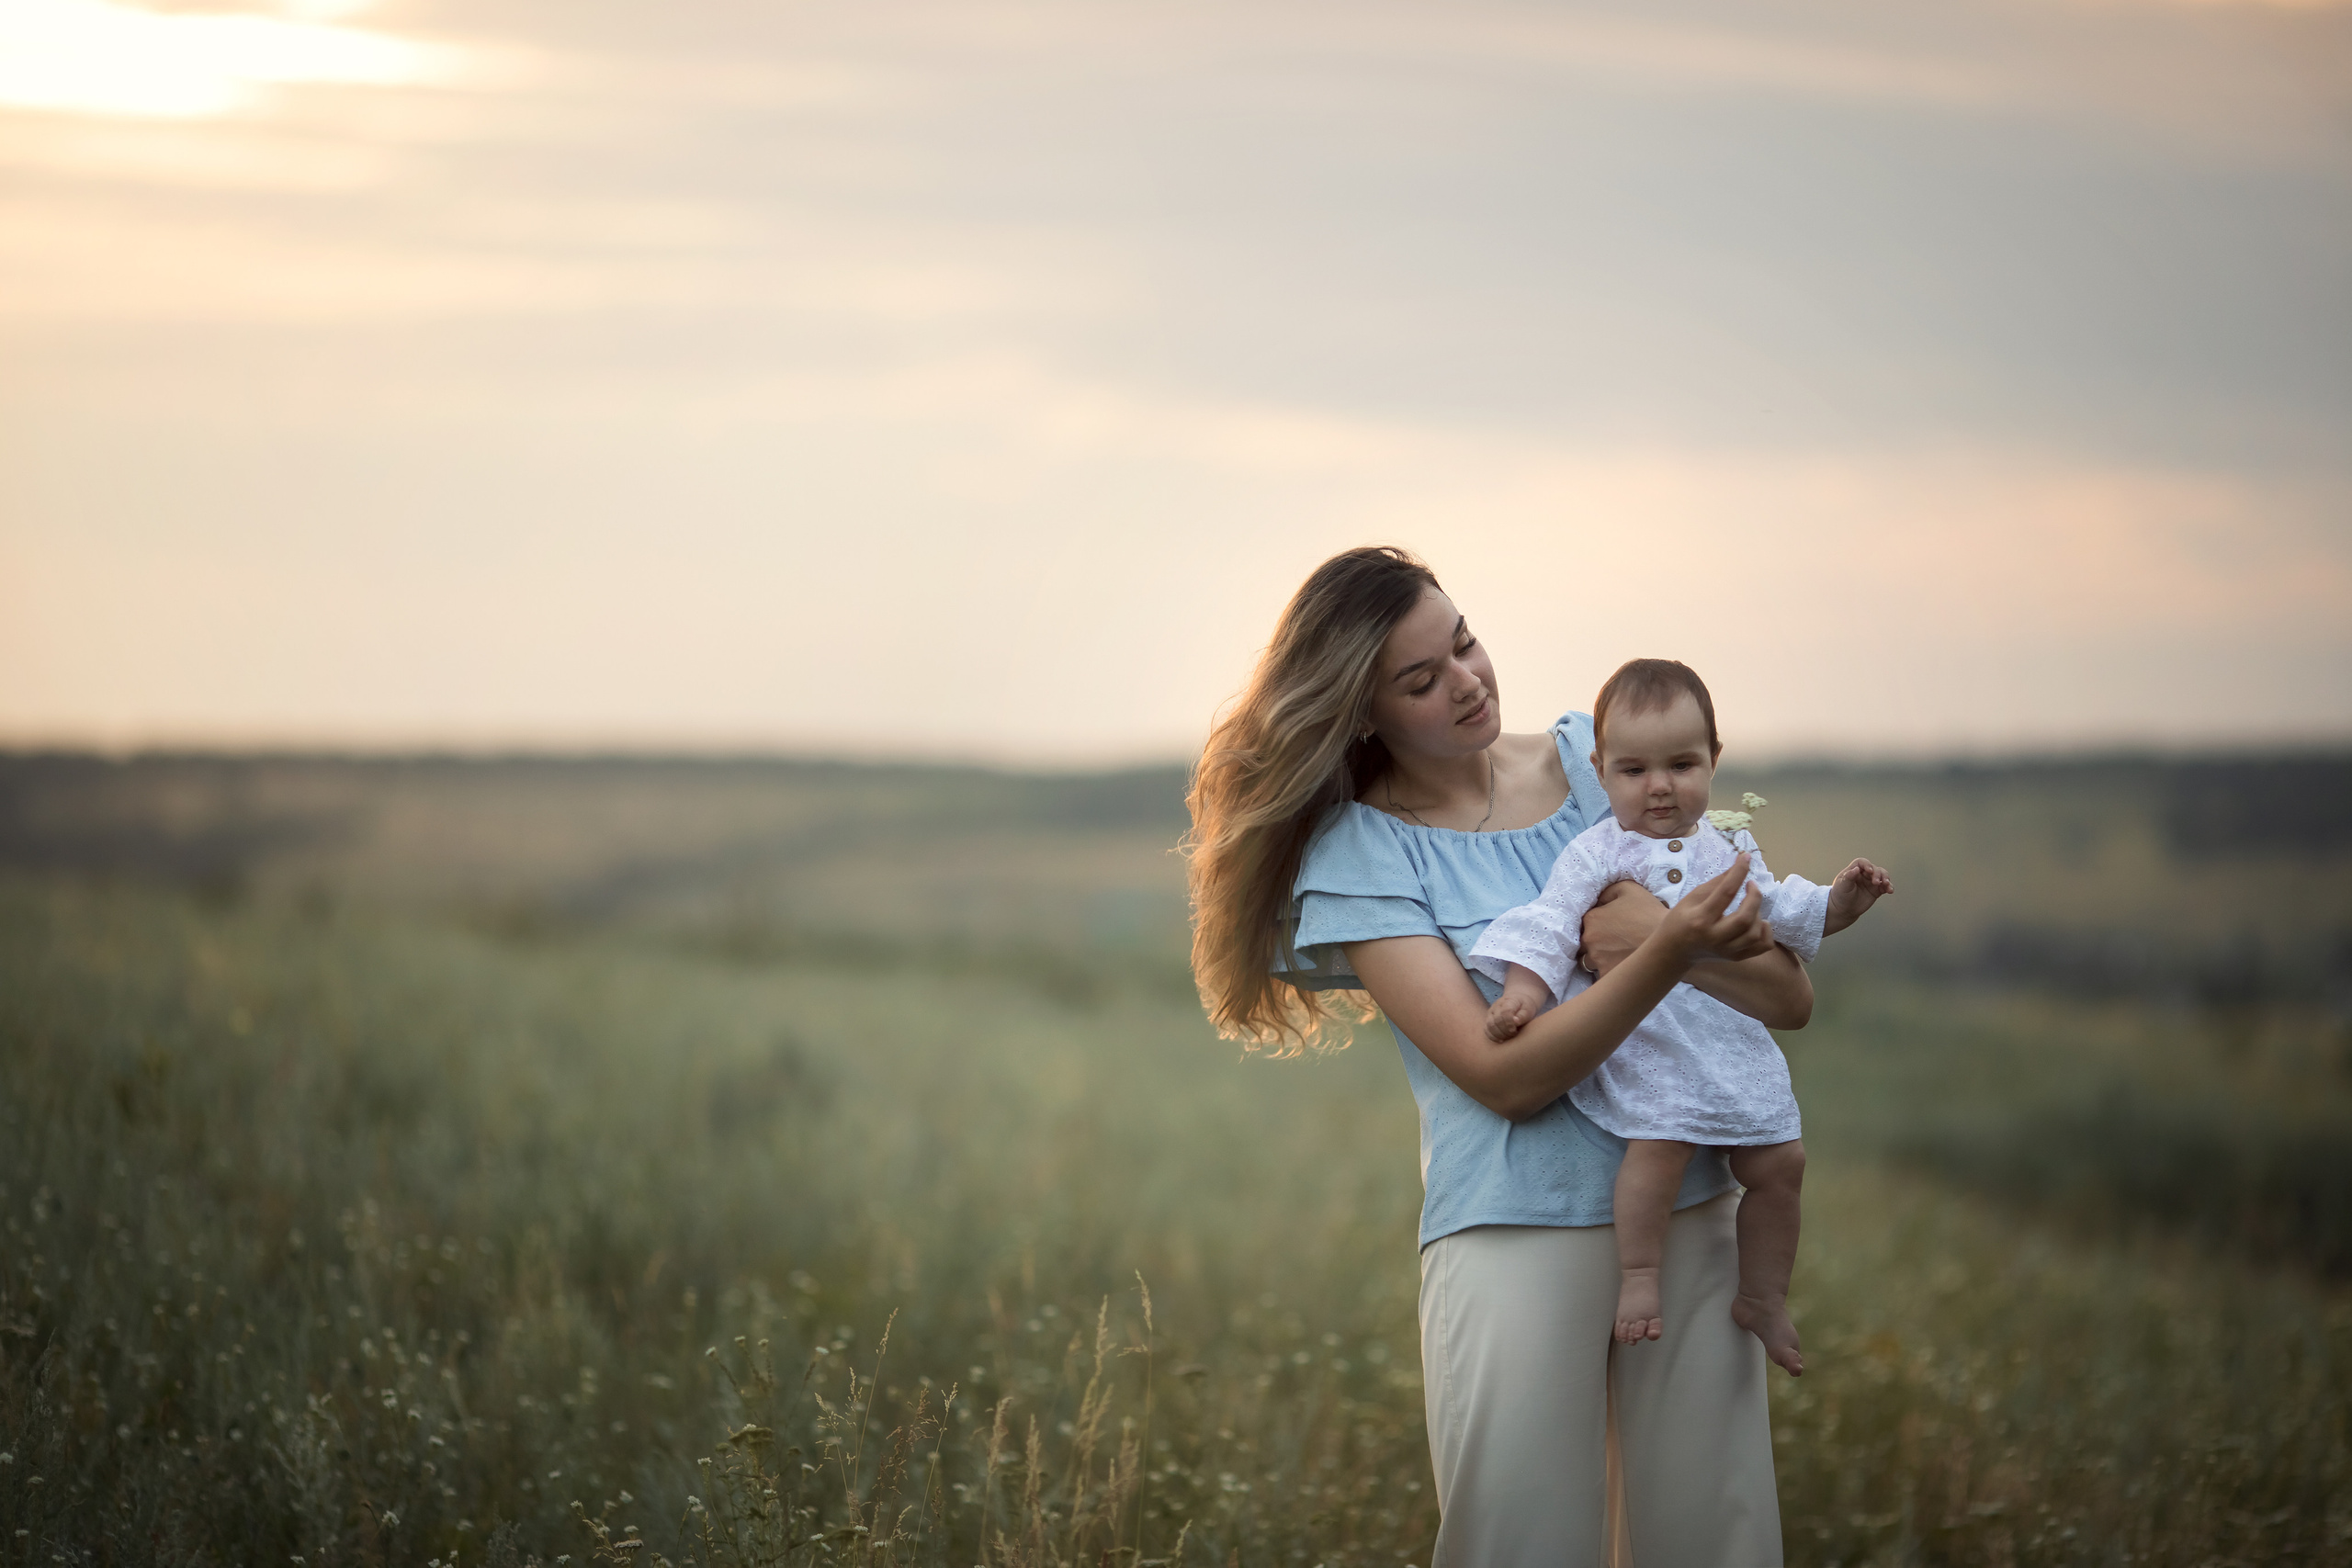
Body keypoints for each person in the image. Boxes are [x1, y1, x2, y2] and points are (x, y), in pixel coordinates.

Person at [1186, 546, 1816, 1565]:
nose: (1467, 681)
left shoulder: (1602, 764)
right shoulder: (1365, 852)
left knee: (1717, 1541)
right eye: (1420, 680)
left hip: (1691, 1213)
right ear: (1362, 713)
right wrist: (1663, 950)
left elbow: (1787, 997)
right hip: (1512, 1235)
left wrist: (1662, 941)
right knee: (1521, 1546)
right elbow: (1505, 1079)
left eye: (1464, 643)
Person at [1469, 658, 1893, 1379]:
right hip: (1653, 1037)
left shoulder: (1729, 847)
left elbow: (1779, 910)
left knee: (1781, 1161)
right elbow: (1551, 924)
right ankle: (1640, 1274)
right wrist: (1522, 994)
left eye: (1681, 765)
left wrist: (1838, 904)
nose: (1659, 786)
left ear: (1713, 760)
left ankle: (1763, 1295)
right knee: (1659, 1147)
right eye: (1634, 770)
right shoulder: (1597, 851)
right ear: (1601, 772)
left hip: (1726, 1035)